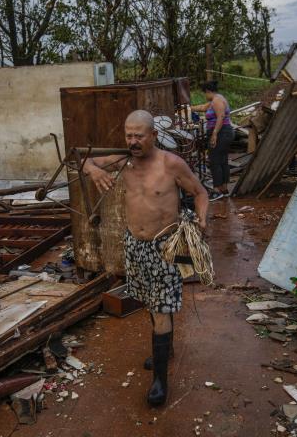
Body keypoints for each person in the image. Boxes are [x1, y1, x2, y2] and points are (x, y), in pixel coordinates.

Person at [83, 110, 209, 407]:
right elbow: (83, 159)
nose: (133, 141)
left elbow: (200, 193)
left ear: (154, 135)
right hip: (134, 245)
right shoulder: (122, 160)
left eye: (139, 135)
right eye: (128, 135)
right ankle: (166, 349)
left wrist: (202, 220)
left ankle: (160, 382)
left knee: (161, 307)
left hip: (166, 246)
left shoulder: (172, 164)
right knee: (150, 301)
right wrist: (94, 171)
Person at [190, 81, 234, 201]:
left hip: (221, 133)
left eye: (205, 93)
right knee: (222, 160)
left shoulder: (217, 100)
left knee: (215, 161)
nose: (205, 96)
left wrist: (214, 134)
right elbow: (203, 107)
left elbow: (221, 116)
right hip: (224, 133)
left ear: (208, 91)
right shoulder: (216, 100)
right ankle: (224, 189)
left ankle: (216, 190)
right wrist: (189, 108)